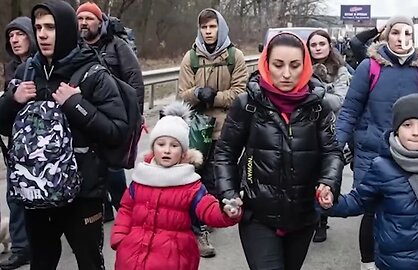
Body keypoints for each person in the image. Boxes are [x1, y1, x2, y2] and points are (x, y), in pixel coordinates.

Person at [0, 1, 128, 269]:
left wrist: (76, 105)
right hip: (38, 193)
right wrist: (12, 100)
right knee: (42, 262)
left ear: (68, 30)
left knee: (89, 262)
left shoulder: (94, 73)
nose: (43, 34)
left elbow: (117, 131)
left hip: (84, 193)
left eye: (51, 27)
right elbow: (4, 127)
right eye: (38, 28)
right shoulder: (27, 72)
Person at [214, 31, 344, 270]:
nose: (286, 74)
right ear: (266, 64)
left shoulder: (318, 107)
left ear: (305, 66)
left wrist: (328, 182)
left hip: (302, 215)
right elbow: (225, 153)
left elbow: (333, 153)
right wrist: (229, 193)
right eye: (278, 65)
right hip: (257, 215)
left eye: (295, 66)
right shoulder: (248, 104)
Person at [335, 16, 418, 270]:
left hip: (409, 153)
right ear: (386, 35)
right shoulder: (370, 66)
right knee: (370, 208)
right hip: (371, 151)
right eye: (396, 33)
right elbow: (350, 109)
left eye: (407, 34)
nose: (402, 39)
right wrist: (336, 144)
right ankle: (368, 263)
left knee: (401, 209)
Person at [324, 94, 418, 270]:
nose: (415, 132)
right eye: (407, 125)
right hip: (393, 260)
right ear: (396, 128)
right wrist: (329, 203)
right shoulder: (381, 167)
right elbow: (358, 201)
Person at [111, 101, 241, 270]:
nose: (166, 150)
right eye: (161, 144)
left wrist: (227, 212)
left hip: (174, 257)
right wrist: (120, 238)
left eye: (174, 146)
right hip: (132, 255)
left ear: (184, 152)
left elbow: (208, 209)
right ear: (153, 148)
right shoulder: (141, 179)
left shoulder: (191, 185)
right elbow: (126, 209)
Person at [177, 8, 247, 257]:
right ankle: (199, 228)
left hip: (226, 129)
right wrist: (197, 94)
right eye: (204, 27)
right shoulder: (191, 58)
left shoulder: (234, 56)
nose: (208, 32)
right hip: (197, 130)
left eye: (212, 26)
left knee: (219, 180)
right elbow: (182, 92)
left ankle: (211, 211)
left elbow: (240, 92)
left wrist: (215, 96)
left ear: (221, 28)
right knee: (196, 179)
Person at [76, 1, 145, 222]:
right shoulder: (74, 48)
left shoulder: (117, 46)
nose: (84, 23)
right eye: (80, 19)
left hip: (114, 117)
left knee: (113, 167)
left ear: (100, 21)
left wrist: (136, 116)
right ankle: (102, 209)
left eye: (89, 18)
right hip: (85, 117)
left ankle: (125, 211)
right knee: (90, 166)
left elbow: (135, 81)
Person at [306, 29, 350, 243]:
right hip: (305, 128)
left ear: (329, 45)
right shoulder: (300, 67)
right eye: (313, 45)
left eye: (321, 44)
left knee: (328, 174)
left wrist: (316, 93)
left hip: (331, 128)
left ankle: (322, 220)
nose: (317, 48)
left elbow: (339, 101)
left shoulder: (340, 70)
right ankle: (309, 217)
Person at [0, 16, 36, 270]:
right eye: (10, 36)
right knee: (15, 196)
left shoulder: (44, 64)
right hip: (17, 144)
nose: (14, 39)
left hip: (42, 145)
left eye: (19, 34)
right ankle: (21, 248)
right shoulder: (11, 69)